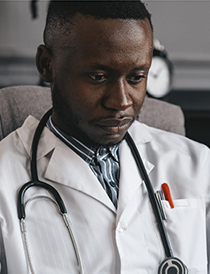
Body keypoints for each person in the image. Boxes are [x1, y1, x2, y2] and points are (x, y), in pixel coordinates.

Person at [0, 1, 210, 273]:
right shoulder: (5, 176)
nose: (122, 102)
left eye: (136, 77)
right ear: (47, 65)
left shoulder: (198, 165)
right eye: (98, 77)